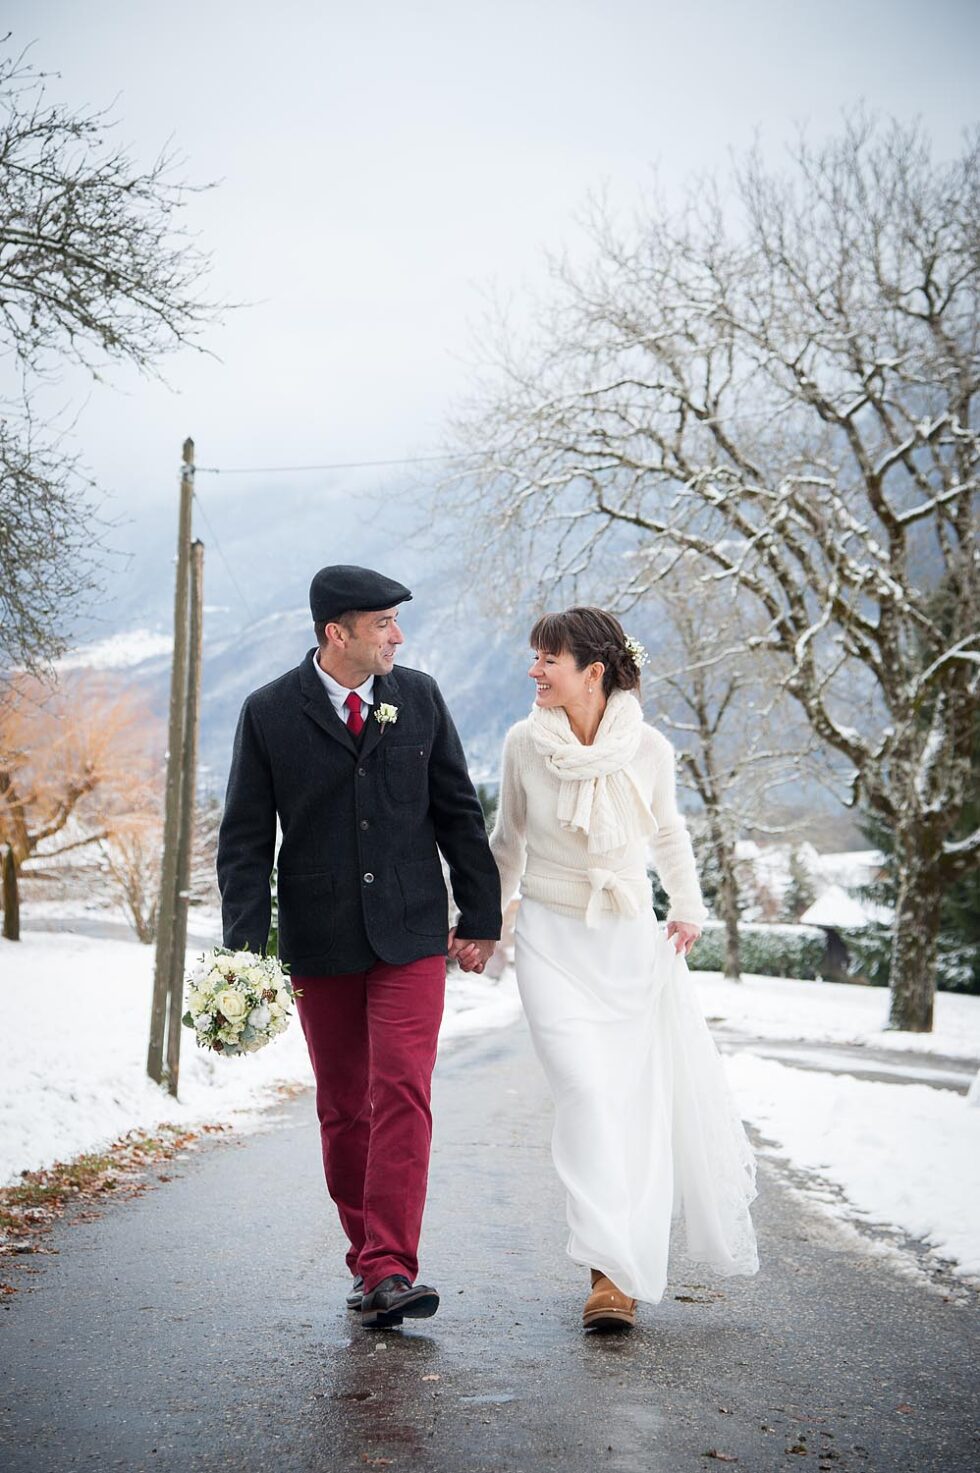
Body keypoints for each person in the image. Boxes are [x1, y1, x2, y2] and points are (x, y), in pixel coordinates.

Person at [217, 565, 500, 1329]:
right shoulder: (268, 712)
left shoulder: (423, 697)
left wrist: (480, 911)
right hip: (321, 940)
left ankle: (390, 1265)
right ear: (336, 633)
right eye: (383, 623)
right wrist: (244, 954)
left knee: (402, 1087)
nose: (398, 636)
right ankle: (365, 1257)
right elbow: (243, 843)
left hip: (411, 931)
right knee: (346, 1107)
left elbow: (458, 810)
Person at [489, 606, 758, 1330]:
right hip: (550, 938)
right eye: (534, 656)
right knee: (585, 1093)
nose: (533, 671)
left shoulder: (650, 749)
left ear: (593, 671)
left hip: (626, 942)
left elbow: (668, 832)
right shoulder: (522, 744)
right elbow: (506, 840)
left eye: (547, 658)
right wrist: (484, 922)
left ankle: (616, 1273)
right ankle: (604, 1258)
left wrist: (689, 907)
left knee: (631, 1107)